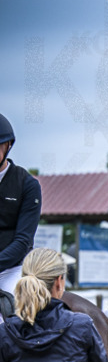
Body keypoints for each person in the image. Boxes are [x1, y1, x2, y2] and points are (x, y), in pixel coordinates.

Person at [0, 113, 42, 317]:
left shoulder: (27, 185)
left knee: (13, 316)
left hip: (12, 269)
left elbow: (23, 240)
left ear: (7, 146)